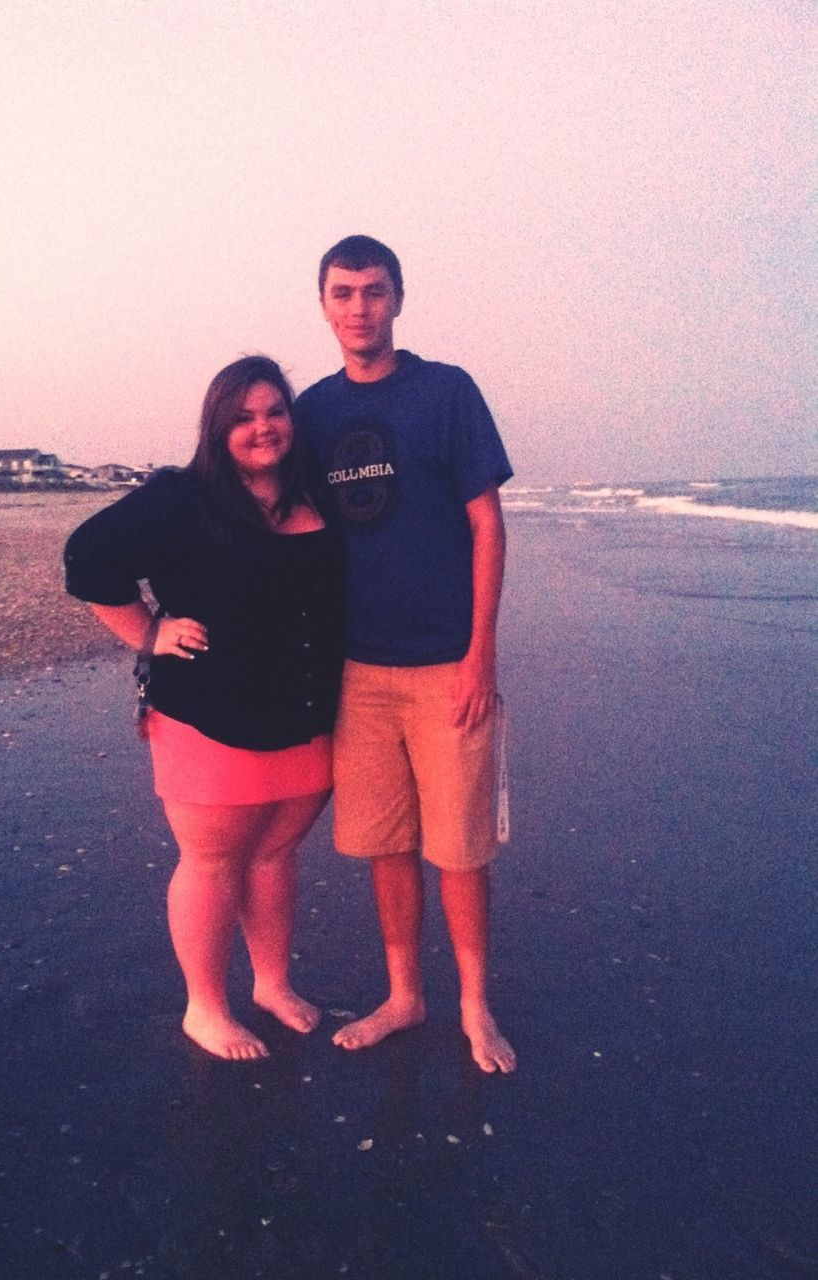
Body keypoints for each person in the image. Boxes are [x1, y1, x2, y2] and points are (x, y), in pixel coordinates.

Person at [64, 356, 345, 1061]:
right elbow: (88, 556)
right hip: (207, 714)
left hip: (305, 710)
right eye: (243, 417)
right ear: (217, 427)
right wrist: (149, 632)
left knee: (276, 854)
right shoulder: (181, 497)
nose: (262, 428)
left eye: (274, 411)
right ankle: (205, 1006)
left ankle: (272, 985)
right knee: (214, 859)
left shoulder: (315, 491)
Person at [294, 236, 517, 1074]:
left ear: (398, 300)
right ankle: (404, 995)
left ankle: (473, 1005)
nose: (359, 307)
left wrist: (480, 655)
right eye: (344, 293)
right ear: (323, 305)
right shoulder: (311, 412)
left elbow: (487, 523)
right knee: (386, 843)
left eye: (375, 291)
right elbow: (279, 525)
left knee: (460, 848)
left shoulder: (446, 392)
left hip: (445, 665)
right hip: (355, 671)